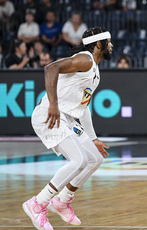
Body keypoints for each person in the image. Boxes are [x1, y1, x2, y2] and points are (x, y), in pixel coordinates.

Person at [22, 27, 112, 230]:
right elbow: (50, 68)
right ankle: (38, 203)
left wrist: (93, 137)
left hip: (69, 118)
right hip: (50, 114)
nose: (112, 45)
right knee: (79, 160)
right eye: (109, 41)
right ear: (99, 44)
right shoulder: (85, 59)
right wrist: (53, 104)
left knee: (94, 159)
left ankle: (62, 201)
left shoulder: (94, 70)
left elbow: (84, 107)